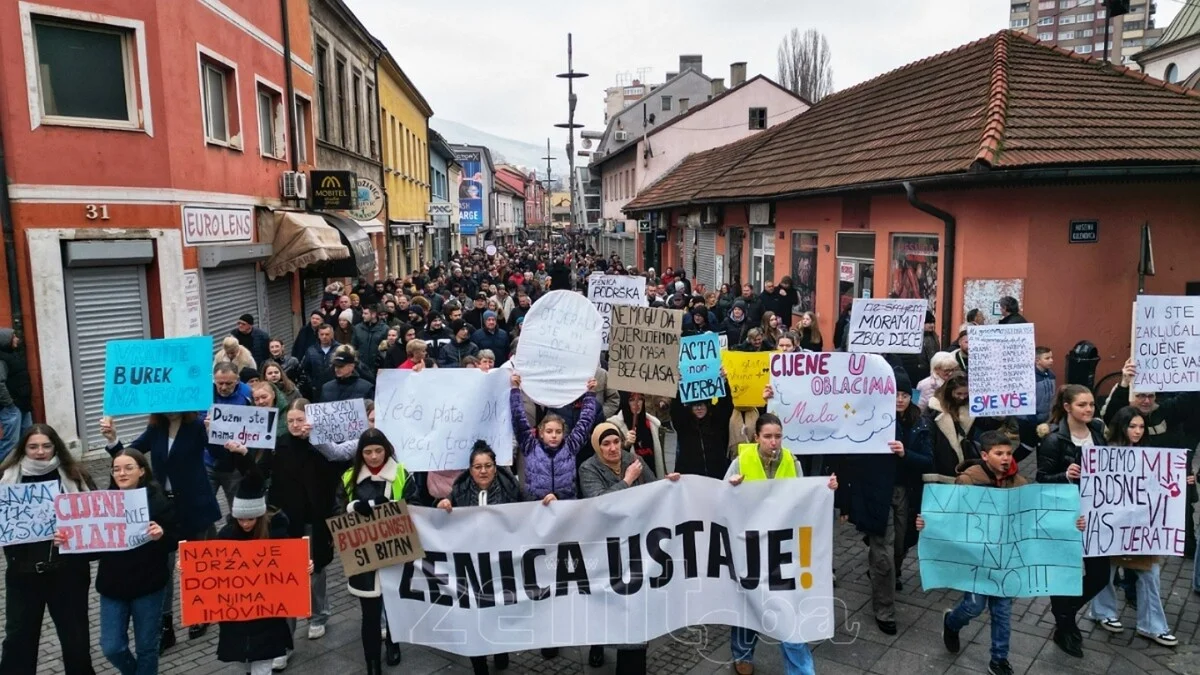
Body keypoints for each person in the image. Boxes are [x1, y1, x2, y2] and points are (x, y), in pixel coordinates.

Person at [922, 430, 1084, 675]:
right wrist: (928, 523)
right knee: (973, 607)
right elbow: (952, 514)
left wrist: (1071, 524)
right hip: (977, 558)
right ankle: (952, 622)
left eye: (1009, 453)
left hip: (1006, 562)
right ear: (985, 456)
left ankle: (999, 659)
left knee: (1002, 612)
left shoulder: (1020, 483)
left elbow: (1035, 518)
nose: (1006, 458)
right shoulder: (968, 480)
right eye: (999, 454)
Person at [725, 414, 837, 675]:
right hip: (750, 546)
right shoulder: (740, 462)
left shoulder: (791, 460)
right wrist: (732, 487)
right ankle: (743, 653)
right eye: (768, 436)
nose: (773, 442)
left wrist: (825, 489)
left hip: (783, 547)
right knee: (747, 603)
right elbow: (722, 499)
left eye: (777, 436)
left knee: (789, 607)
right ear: (756, 438)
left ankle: (800, 670)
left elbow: (804, 497)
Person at [102, 410, 222, 645]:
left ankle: (200, 613)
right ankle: (165, 623)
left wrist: (213, 433)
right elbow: (130, 457)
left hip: (195, 506)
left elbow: (219, 456)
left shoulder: (197, 426)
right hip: (164, 507)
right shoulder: (155, 428)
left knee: (196, 563)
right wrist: (112, 440)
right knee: (164, 565)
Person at [578, 422, 682, 671]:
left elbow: (654, 488)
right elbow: (598, 504)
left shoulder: (632, 459)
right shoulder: (587, 468)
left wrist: (668, 483)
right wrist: (626, 481)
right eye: (606, 444)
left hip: (636, 544)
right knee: (604, 600)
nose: (613, 448)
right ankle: (597, 643)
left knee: (634, 606)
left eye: (616, 442)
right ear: (597, 446)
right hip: (606, 547)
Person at [835, 372, 932, 634]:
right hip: (876, 493)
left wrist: (905, 453)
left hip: (906, 493)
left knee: (899, 546)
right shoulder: (871, 420)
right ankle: (885, 609)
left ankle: (886, 575)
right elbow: (851, 458)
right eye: (894, 394)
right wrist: (847, 500)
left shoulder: (919, 423)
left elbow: (928, 460)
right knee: (883, 554)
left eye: (903, 394)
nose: (899, 399)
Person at [0, 425, 97, 675]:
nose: (40, 452)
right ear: (23, 449)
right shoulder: (6, 479)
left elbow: (96, 522)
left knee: (76, 643)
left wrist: (74, 534)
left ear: (56, 447)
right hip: (22, 574)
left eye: (46, 446)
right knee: (18, 642)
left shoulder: (76, 476)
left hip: (68, 574)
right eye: (33, 447)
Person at [1085, 405, 1185, 647]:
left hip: (1141, 528)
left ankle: (1153, 625)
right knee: (1104, 573)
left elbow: (1162, 485)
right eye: (1132, 426)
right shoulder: (1103, 452)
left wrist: (1182, 478)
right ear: (1122, 426)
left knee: (1150, 574)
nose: (1138, 431)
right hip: (1111, 526)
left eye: (1141, 426)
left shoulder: (1150, 455)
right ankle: (1102, 612)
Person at [245, 399, 339, 650]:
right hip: (285, 519)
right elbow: (258, 473)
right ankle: (286, 638)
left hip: (315, 517)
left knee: (315, 569)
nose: (296, 425)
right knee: (286, 576)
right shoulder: (279, 445)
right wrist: (243, 455)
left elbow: (339, 468)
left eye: (300, 420)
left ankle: (318, 614)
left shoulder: (322, 445)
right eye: (291, 421)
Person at [435, 440, 532, 674]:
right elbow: (442, 523)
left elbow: (530, 514)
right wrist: (442, 505)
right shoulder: (458, 491)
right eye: (478, 467)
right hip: (472, 567)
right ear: (470, 469)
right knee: (473, 615)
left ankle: (500, 650)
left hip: (501, 565)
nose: (483, 471)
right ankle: (478, 662)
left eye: (488, 466)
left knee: (498, 610)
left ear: (495, 467)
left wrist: (548, 503)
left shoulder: (512, 490)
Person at [1036, 384, 1109, 658]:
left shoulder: (1098, 433)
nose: (1089, 409)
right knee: (1063, 574)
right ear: (1067, 407)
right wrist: (1065, 475)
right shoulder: (1054, 440)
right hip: (1064, 517)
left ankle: (1065, 613)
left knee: (1099, 575)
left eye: (1091, 404)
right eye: (1082, 405)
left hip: (1095, 516)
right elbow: (1041, 478)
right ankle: (1065, 627)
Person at [95, 448, 176, 674]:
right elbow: (92, 549)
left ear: (141, 471)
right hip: (113, 586)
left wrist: (161, 535)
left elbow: (174, 541)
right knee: (111, 647)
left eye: (128, 468)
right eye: (116, 469)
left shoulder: (158, 501)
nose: (121, 473)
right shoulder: (102, 503)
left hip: (148, 586)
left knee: (147, 647)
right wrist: (70, 540)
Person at [343, 429, 418, 673]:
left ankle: (393, 644)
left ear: (386, 450)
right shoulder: (348, 478)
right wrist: (353, 507)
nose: (374, 457)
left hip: (394, 550)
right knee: (370, 614)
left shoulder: (401, 474)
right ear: (360, 453)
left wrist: (392, 507)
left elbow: (415, 506)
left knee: (393, 607)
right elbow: (335, 509)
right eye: (367, 452)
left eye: (378, 451)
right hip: (363, 554)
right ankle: (372, 663)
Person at [215, 474, 302, 675]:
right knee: (246, 664)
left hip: (267, 615)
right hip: (238, 615)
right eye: (241, 519)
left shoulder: (276, 533)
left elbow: (289, 564)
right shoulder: (226, 535)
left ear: (261, 515)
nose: (245, 524)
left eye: (250, 519)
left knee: (262, 666)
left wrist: (303, 567)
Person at [510, 372, 598, 503]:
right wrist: (515, 390)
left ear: (563, 433)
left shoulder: (570, 447)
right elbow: (519, 419)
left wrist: (590, 394)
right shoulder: (530, 446)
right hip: (535, 507)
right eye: (549, 431)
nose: (554, 435)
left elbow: (585, 421)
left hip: (564, 506)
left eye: (558, 431)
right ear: (541, 433)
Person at [207, 363, 253, 509]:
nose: (224, 387)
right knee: (204, 509)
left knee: (237, 509)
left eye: (229, 383)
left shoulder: (248, 393)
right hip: (208, 460)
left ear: (238, 380)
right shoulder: (203, 393)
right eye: (220, 383)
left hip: (234, 463)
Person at [671, 381, 734, 479]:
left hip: (717, 477)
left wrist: (724, 382)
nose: (699, 408)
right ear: (690, 406)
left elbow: (726, 405)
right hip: (690, 479)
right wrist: (678, 387)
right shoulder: (683, 423)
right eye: (695, 405)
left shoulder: (717, 420)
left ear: (708, 404)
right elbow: (676, 409)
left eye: (702, 404)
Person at [924, 375, 977, 483]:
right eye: (959, 394)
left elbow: (988, 424)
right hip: (941, 459)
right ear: (949, 392)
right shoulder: (933, 409)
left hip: (964, 459)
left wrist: (998, 415)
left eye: (966, 394)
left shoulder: (972, 407)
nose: (962, 397)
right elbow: (929, 438)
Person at [606, 391, 666, 477]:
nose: (637, 403)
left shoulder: (653, 424)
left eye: (640, 399)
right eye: (631, 400)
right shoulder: (614, 425)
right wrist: (625, 445)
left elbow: (659, 459)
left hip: (652, 478)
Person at [0, 326, 32, 461]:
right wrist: (10, 404)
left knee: (28, 439)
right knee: (11, 443)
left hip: (23, 404)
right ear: (6, 340)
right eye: (14, 337)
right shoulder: (2, 359)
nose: (17, 339)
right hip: (12, 408)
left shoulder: (13, 354)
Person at [300, 323, 339, 401]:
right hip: (317, 391)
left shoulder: (339, 349)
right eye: (322, 334)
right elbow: (305, 370)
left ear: (332, 335)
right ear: (318, 335)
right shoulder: (311, 351)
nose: (324, 337)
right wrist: (312, 384)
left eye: (327, 334)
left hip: (336, 389)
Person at [351, 304, 389, 378]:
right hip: (360, 368)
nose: (363, 315)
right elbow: (353, 346)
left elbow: (386, 350)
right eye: (363, 313)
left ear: (374, 314)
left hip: (377, 368)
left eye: (365, 313)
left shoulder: (385, 329)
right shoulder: (357, 328)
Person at [1034, 347, 1056, 425]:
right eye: (1047, 358)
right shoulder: (1030, 378)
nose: (1051, 360)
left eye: (1051, 357)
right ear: (1037, 361)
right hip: (1031, 419)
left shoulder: (1051, 375)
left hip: (1047, 417)